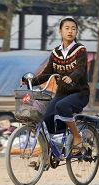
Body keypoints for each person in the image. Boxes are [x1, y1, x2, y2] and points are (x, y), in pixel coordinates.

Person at [26, 18, 90, 151]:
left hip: (80, 93)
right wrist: (30, 81)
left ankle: (76, 136)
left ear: (76, 32)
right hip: (61, 94)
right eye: (67, 28)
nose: (70, 31)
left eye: (73, 28)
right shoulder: (55, 53)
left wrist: (71, 78)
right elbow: (47, 73)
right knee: (45, 119)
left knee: (62, 106)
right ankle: (47, 153)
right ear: (60, 31)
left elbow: (80, 69)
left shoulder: (80, 50)